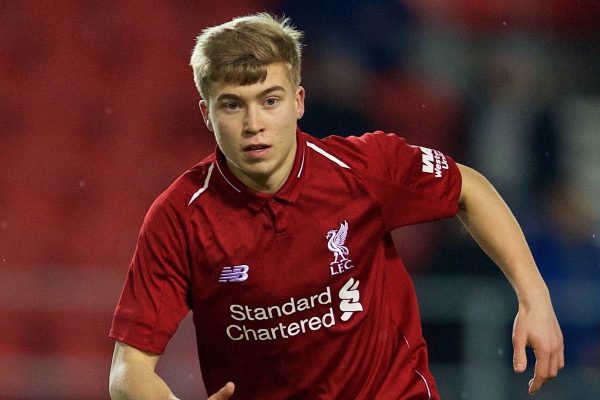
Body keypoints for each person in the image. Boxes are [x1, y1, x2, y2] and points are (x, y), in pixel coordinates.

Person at [108, 13, 563, 399]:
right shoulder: (179, 217)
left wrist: (534, 296)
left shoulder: (364, 168)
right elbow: (127, 372)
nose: (253, 124)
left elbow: (470, 189)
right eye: (232, 105)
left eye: (270, 101)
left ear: (298, 102)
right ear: (206, 113)